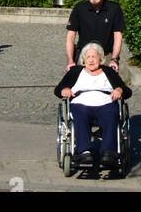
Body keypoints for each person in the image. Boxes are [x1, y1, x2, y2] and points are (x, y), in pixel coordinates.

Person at [54, 42, 131, 171]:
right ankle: (84, 152)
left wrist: (119, 90)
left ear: (100, 59)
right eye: (88, 57)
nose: (90, 60)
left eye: (94, 57)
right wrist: (65, 89)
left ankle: (108, 152)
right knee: (80, 115)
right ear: (83, 59)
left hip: (105, 103)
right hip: (81, 103)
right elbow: (58, 90)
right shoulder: (75, 71)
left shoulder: (108, 72)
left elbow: (127, 91)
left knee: (111, 114)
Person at [65, 0, 125, 71]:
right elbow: (70, 36)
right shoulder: (79, 8)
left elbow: (118, 36)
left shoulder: (114, 9)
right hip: (84, 57)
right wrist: (70, 60)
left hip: (106, 57)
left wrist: (114, 59)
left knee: (109, 85)